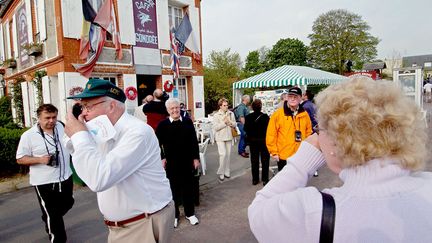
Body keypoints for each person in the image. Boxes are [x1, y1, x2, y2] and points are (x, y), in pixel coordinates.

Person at [248, 77, 432, 243]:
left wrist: (302, 161)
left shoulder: (314, 211)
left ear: (338, 140)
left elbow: (258, 212)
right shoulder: (427, 186)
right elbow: (272, 133)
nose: (318, 134)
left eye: (321, 129)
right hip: (284, 151)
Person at [65, 79, 174, 243]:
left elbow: (98, 178)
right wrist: (80, 135)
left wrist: (80, 136)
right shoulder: (103, 130)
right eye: (82, 107)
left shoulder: (137, 133)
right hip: (127, 225)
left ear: (111, 106)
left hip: (142, 224)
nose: (83, 113)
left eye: (88, 106)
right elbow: (79, 155)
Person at [16, 104, 74, 243]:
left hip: (66, 176)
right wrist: (40, 159)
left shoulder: (61, 126)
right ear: (39, 118)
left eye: (54, 117)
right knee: (54, 216)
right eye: (47, 118)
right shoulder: (28, 136)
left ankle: (48, 216)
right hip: (44, 182)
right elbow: (20, 158)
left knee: (68, 203)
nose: (51, 121)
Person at [156, 98, 200, 228]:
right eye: (172, 108)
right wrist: (162, 157)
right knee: (173, 191)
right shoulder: (162, 125)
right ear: (168, 110)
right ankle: (175, 216)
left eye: (177, 107)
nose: (175, 110)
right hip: (172, 163)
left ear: (179, 108)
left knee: (188, 188)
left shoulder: (187, 122)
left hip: (187, 162)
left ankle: (190, 214)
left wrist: (196, 158)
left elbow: (193, 141)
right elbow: (156, 144)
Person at [266, 87, 312, 171]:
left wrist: (307, 150)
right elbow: (271, 134)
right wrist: (274, 152)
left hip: (300, 155)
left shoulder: (305, 114)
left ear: (300, 98)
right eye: (290, 96)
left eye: (295, 96)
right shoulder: (278, 114)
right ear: (287, 98)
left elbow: (308, 132)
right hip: (283, 155)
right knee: (285, 181)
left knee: (300, 180)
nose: (293, 99)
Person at [244, 99, 270, 186]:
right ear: (261, 107)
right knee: (265, 161)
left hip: (253, 142)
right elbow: (269, 130)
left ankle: (255, 179)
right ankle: (265, 179)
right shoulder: (266, 117)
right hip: (263, 141)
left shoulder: (248, 117)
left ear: (252, 107)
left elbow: (245, 129)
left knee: (254, 161)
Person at [212, 98, 237, 181]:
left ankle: (227, 171)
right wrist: (224, 123)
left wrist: (230, 122)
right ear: (220, 106)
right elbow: (215, 128)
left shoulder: (231, 113)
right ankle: (221, 172)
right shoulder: (216, 115)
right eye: (224, 105)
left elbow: (235, 124)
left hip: (229, 136)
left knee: (228, 155)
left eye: (227, 105)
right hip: (220, 138)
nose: (226, 107)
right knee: (223, 155)